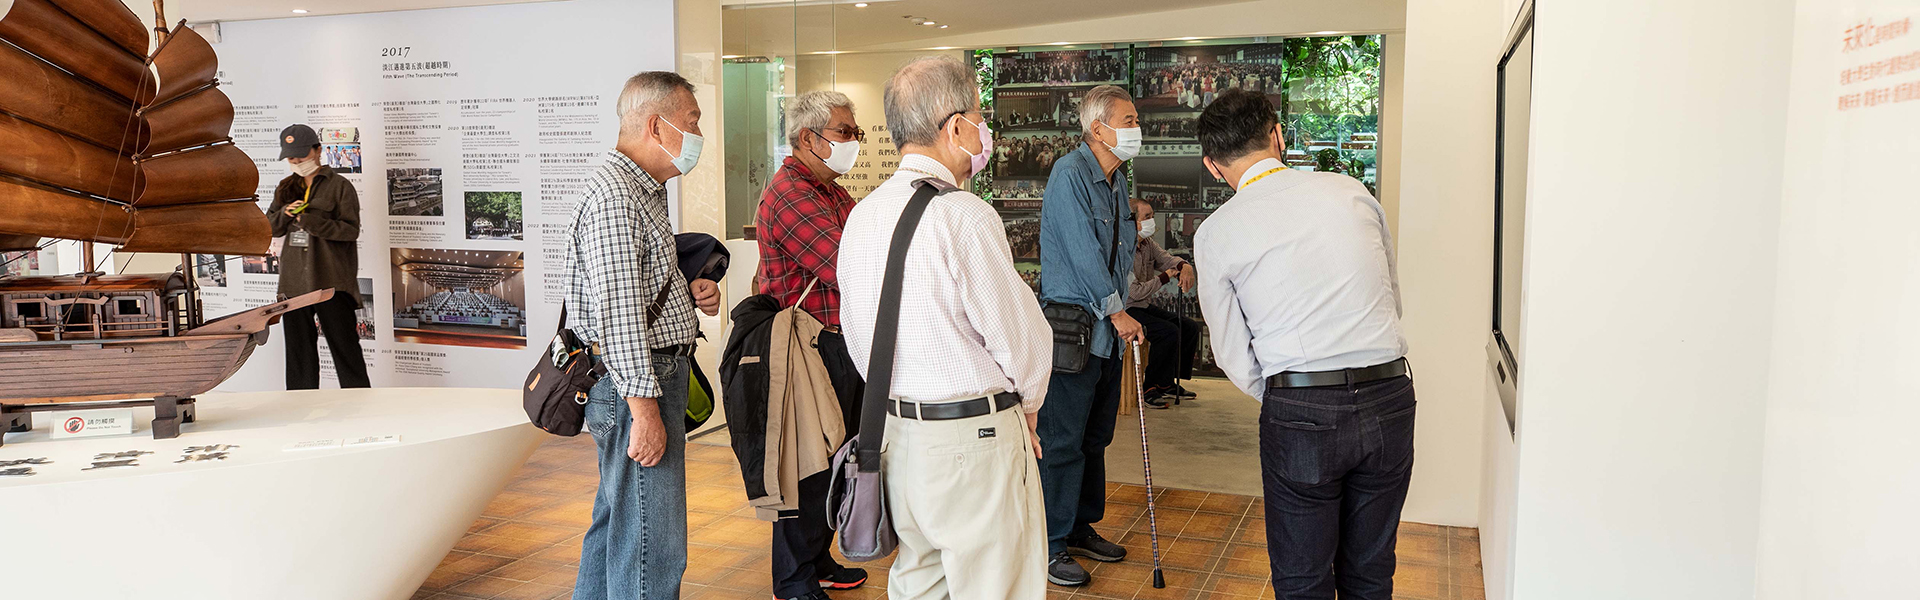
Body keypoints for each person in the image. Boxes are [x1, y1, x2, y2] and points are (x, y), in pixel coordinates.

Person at [837, 55, 1053, 600]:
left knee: (919, 582)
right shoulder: (964, 215)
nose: (984, 131)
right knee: (994, 585)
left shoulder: (863, 215)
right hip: (973, 438)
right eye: (980, 117)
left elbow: (859, 337)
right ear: (956, 127)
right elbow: (1017, 335)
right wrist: (1029, 406)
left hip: (894, 435)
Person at [1192, 89, 1413, 600]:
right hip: (1389, 394)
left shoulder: (1218, 231)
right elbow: (1391, 298)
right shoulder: (1351, 191)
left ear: (1212, 165)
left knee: (1302, 577)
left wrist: (1287, 392)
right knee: (1372, 569)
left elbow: (1230, 351)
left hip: (1301, 404)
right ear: (1277, 135)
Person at [563, 71, 722, 600]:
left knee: (617, 528)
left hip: (642, 377)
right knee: (653, 544)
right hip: (638, 383)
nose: (700, 134)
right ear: (658, 125)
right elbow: (619, 315)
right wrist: (645, 412)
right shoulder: (616, 197)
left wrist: (685, 286)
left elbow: (637, 282)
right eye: (693, 122)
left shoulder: (641, 190)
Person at [753, 90, 871, 600]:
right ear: (808, 138)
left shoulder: (830, 190)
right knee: (804, 464)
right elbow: (848, 264)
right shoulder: (791, 193)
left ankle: (819, 558)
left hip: (837, 344)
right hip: (805, 351)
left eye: (854, 132)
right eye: (845, 132)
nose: (853, 142)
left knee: (836, 458)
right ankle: (793, 578)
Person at [1035, 84, 1141, 587]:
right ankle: (1049, 544)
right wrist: (1117, 312)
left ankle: (1079, 527)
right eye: (1129, 119)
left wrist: (1119, 316)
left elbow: (1119, 257)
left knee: (1095, 438)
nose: (1136, 129)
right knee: (1061, 442)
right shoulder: (1069, 174)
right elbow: (1081, 252)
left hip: (1106, 333)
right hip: (1073, 330)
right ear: (1097, 128)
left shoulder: (1116, 180)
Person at [266, 124, 370, 390]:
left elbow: (350, 231)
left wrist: (309, 220)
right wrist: (285, 214)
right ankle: (301, 412)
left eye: (301, 155)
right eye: (291, 157)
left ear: (318, 150)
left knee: (346, 351)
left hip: (331, 281)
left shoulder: (340, 187)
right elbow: (271, 227)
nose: (297, 162)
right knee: (299, 355)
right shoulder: (285, 187)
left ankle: (362, 407)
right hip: (294, 284)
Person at [1124, 198, 1200, 408]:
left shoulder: (1148, 244)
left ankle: (1167, 382)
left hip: (1143, 307)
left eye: (1151, 216)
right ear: (1132, 221)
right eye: (1146, 217)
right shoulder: (1123, 250)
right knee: (1167, 331)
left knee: (1189, 326)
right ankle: (1149, 388)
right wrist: (1165, 277)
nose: (1151, 221)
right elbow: (1136, 292)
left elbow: (1168, 259)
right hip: (1127, 309)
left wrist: (1185, 266)